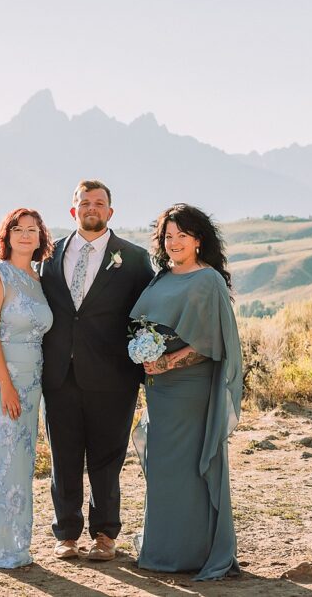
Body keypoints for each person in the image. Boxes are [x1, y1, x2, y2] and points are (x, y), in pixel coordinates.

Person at [39, 179, 154, 561]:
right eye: (84, 202)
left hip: (113, 377)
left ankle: (105, 535)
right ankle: (66, 534)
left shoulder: (134, 259)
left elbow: (148, 312)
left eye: (99, 203)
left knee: (107, 460)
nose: (92, 208)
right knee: (64, 458)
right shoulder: (49, 254)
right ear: (74, 211)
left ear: (110, 212)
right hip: (59, 375)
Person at [130, 203, 242, 581]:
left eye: (182, 235)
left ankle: (193, 552)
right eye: (168, 235)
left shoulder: (208, 280)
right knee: (161, 469)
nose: (174, 242)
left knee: (190, 468)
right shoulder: (161, 278)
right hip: (159, 391)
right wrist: (144, 350)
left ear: (198, 240)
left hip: (190, 391)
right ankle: (161, 549)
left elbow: (213, 342)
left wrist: (167, 362)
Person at [0, 207, 54, 568]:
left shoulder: (40, 280)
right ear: (7, 236)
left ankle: (17, 544)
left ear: (40, 238)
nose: (24, 235)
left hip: (31, 379)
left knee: (21, 460)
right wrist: (5, 384)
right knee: (3, 457)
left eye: (32, 230)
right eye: (17, 229)